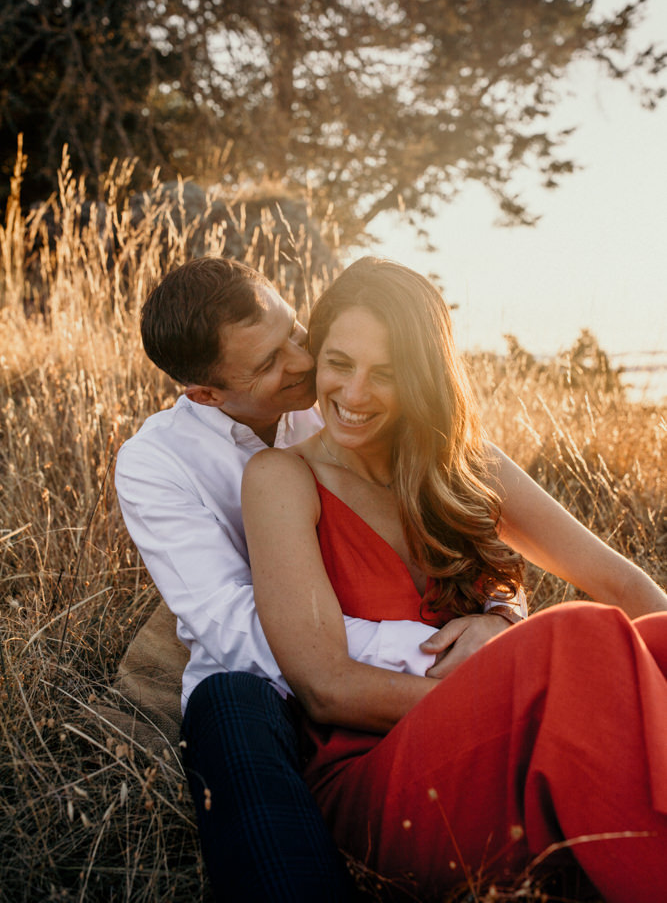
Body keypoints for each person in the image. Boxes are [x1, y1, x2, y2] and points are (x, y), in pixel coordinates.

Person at [241, 256, 667, 903]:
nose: (353, 394)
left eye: (384, 374)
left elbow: (629, 590)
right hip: (381, 785)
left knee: (656, 635)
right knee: (580, 637)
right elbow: (324, 688)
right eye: (338, 363)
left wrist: (502, 620)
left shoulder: (468, 467)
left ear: (423, 377)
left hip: (495, 751)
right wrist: (504, 691)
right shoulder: (281, 479)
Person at [114, 256, 525, 903]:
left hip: (386, 664)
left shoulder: (343, 399)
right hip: (270, 680)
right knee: (229, 707)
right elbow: (231, 625)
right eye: (268, 363)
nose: (303, 363)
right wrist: (422, 656)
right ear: (206, 393)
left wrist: (495, 615)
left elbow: (460, 528)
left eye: (294, 333)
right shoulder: (154, 464)